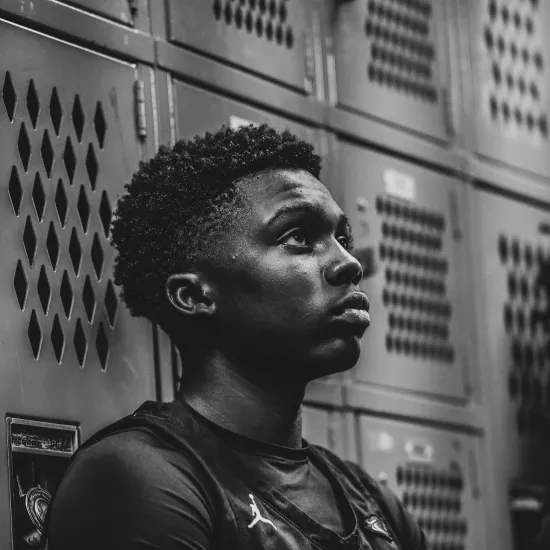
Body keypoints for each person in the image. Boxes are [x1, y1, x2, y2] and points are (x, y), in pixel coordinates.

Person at [42, 124, 427, 550]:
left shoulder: (372, 502)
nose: (350, 263)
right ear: (195, 295)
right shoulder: (141, 479)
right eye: (299, 236)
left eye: (341, 238)